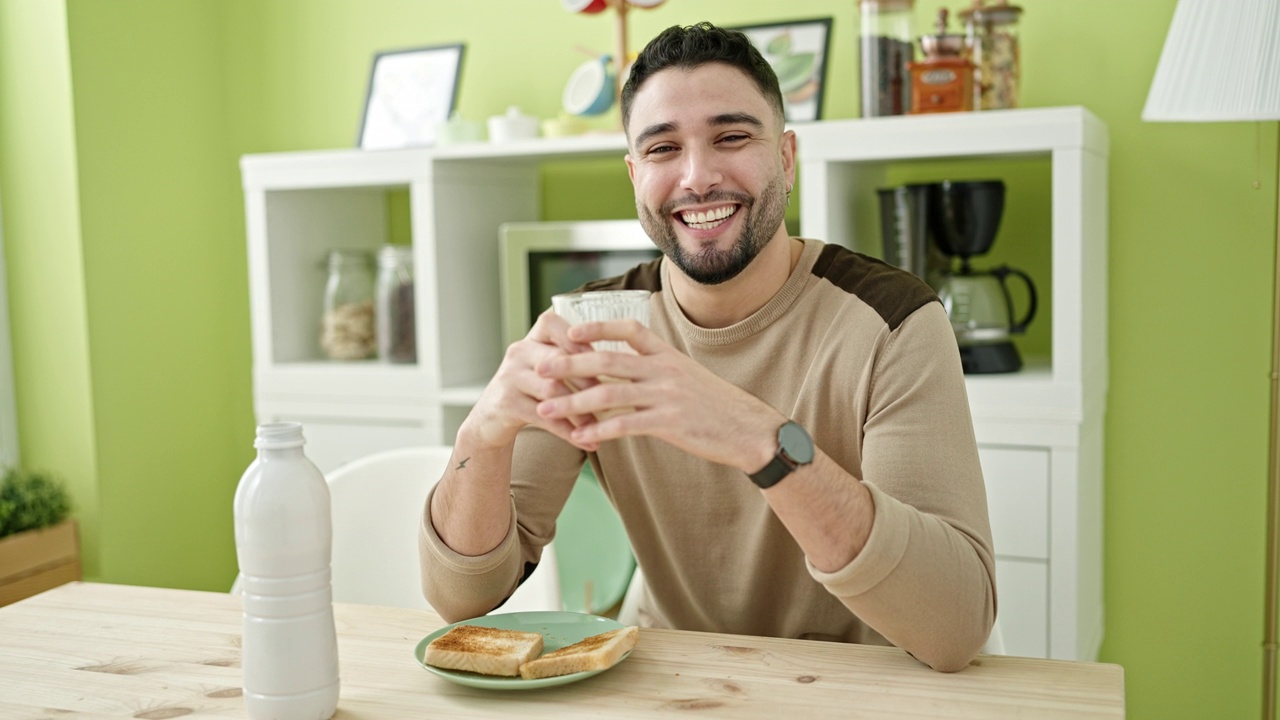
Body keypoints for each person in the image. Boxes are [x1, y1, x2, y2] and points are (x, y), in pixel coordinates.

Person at [420, 21, 995, 672]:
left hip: (858, 691)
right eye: (664, 149)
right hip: (673, 682)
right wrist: (480, 440)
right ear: (636, 175)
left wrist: (759, 439)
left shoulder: (893, 321)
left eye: (731, 137)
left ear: (785, 156)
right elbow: (461, 599)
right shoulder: (594, 330)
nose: (697, 177)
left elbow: (955, 626)